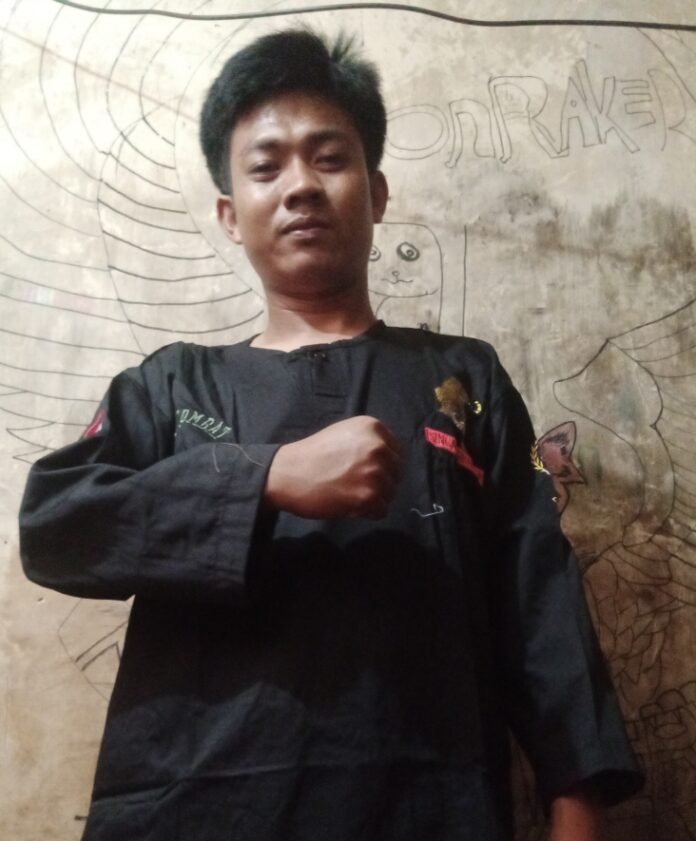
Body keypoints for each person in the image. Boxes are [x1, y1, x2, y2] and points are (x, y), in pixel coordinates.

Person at [20, 29, 642, 841]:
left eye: (329, 158)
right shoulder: (172, 386)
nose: (301, 187)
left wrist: (577, 804)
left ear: (376, 193)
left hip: (429, 808)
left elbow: (540, 599)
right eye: (266, 167)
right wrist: (264, 477)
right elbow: (56, 527)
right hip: (195, 809)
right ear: (228, 214)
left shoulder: (463, 382)